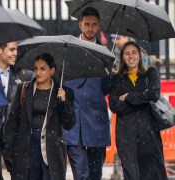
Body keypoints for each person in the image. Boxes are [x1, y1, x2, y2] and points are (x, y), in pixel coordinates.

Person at [3, 53, 76, 180]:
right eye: (35, 68)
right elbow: (12, 121)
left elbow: (69, 124)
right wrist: (8, 151)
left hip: (52, 149)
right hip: (26, 147)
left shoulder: (64, 92)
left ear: (52, 70)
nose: (38, 72)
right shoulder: (23, 89)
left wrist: (64, 102)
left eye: (43, 68)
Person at [62, 7, 111, 180]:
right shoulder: (68, 50)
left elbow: (107, 87)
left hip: (96, 122)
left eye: (94, 25)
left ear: (99, 26)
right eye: (87, 24)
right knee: (81, 175)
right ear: (80, 25)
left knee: (95, 174)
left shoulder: (106, 55)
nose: (90, 28)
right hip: (73, 123)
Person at [109, 41, 167, 180]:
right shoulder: (117, 79)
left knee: (153, 174)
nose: (131, 57)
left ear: (140, 56)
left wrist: (129, 97)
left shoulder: (150, 73)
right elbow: (114, 105)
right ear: (122, 57)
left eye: (134, 53)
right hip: (126, 137)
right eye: (127, 53)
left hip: (149, 135)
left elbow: (154, 94)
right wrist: (142, 99)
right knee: (132, 175)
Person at [0, 41, 33, 173]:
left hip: (13, 137)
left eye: (16, 50)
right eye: (11, 50)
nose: (15, 53)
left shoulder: (23, 75)